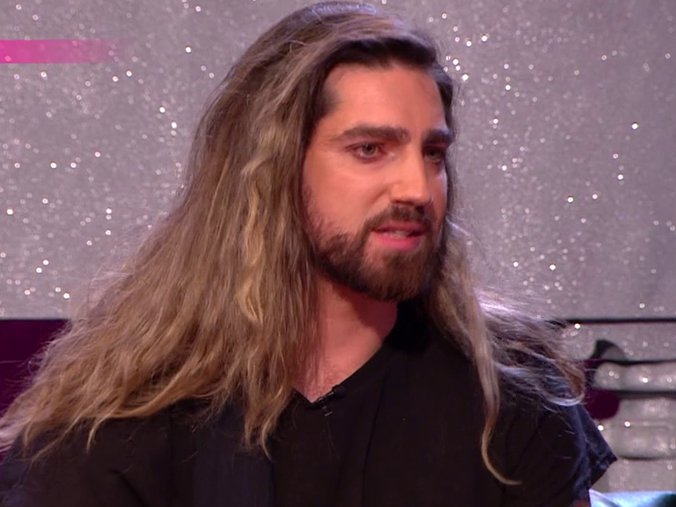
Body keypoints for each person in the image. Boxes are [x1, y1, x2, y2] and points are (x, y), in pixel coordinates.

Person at [0, 2, 615, 506]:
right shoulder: (126, 419)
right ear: (272, 171)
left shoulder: (511, 396)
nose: (417, 188)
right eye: (370, 149)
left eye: (432, 153)